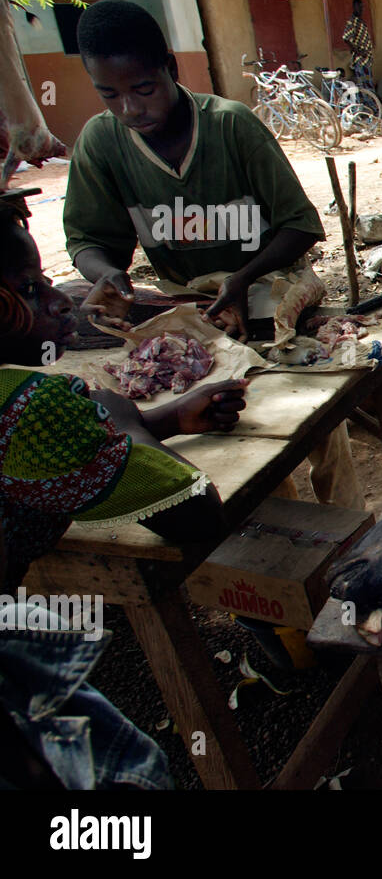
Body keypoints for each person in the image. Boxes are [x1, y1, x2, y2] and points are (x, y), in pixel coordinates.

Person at [62, 0, 363, 510]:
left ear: (170, 71)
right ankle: (279, 539)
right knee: (239, 432)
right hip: (192, 312)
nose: (130, 109)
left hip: (273, 293)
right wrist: (107, 273)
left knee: (312, 416)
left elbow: (300, 226)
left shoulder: (230, 126)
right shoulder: (102, 142)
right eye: (109, 94)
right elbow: (89, 241)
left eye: (143, 89)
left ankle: (347, 525)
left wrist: (243, 278)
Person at [0, 203, 248, 788]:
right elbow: (196, 514)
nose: (64, 299)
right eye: (32, 289)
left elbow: (29, 469)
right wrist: (128, 423)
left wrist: (159, 421)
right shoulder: (33, 406)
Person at [341, 0, 374, 91]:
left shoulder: (360, 21)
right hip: (360, 59)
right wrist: (358, 51)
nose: (361, 9)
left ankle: (371, 103)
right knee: (364, 84)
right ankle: (368, 103)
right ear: (354, 7)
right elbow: (346, 38)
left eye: (362, 7)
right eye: (359, 7)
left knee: (368, 82)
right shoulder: (352, 21)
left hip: (366, 59)